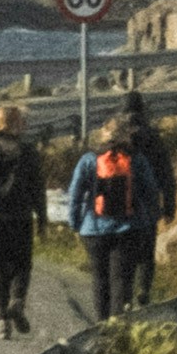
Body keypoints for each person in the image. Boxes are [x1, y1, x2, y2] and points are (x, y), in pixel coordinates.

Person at [0, 97, 49, 339]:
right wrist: (43, 220)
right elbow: (38, 189)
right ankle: (17, 300)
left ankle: (1, 322)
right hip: (22, 217)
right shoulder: (28, 152)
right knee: (22, 265)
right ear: (19, 125)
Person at [69, 120, 145, 318]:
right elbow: (150, 192)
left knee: (100, 278)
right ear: (125, 137)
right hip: (127, 229)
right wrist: (145, 220)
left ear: (103, 135)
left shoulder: (88, 160)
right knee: (122, 281)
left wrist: (75, 223)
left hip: (93, 229)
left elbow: (75, 194)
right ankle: (119, 326)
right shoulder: (136, 159)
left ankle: (101, 326)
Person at [117, 82, 177, 300]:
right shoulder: (153, 137)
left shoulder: (115, 136)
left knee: (123, 253)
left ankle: (124, 297)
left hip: (118, 202)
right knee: (146, 253)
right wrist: (170, 204)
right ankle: (143, 290)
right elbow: (166, 175)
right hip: (147, 203)